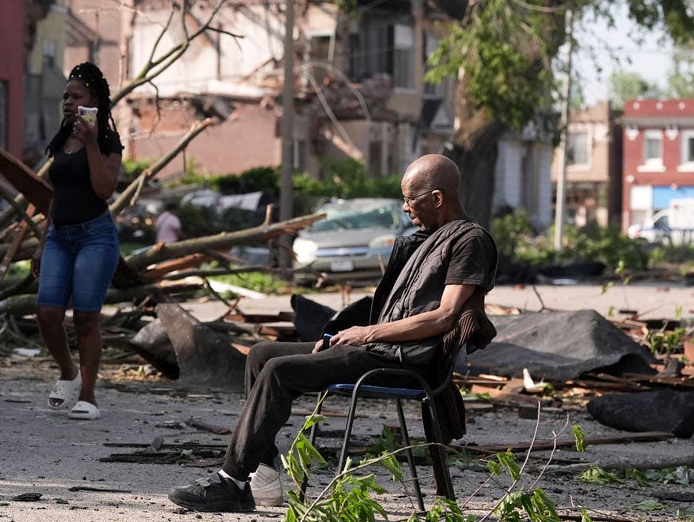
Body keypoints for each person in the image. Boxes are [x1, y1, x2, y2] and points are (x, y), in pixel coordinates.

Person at [168, 154, 497, 512]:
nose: (404, 208)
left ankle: (230, 484)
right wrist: (358, 333)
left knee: (280, 372)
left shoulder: (470, 241)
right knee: (262, 354)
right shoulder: (429, 237)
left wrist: (367, 333)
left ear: (437, 198)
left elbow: (444, 317)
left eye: (410, 199)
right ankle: (262, 475)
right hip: (385, 348)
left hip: (407, 359)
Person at [31, 62, 124, 421]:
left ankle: (88, 394)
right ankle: (68, 371)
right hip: (59, 236)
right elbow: (58, 196)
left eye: (76, 96)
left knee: (86, 317)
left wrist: (89, 144)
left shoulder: (106, 141)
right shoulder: (61, 139)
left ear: (94, 102)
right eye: (65, 96)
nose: (68, 102)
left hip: (95, 236)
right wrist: (43, 241)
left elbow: (104, 190)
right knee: (47, 312)